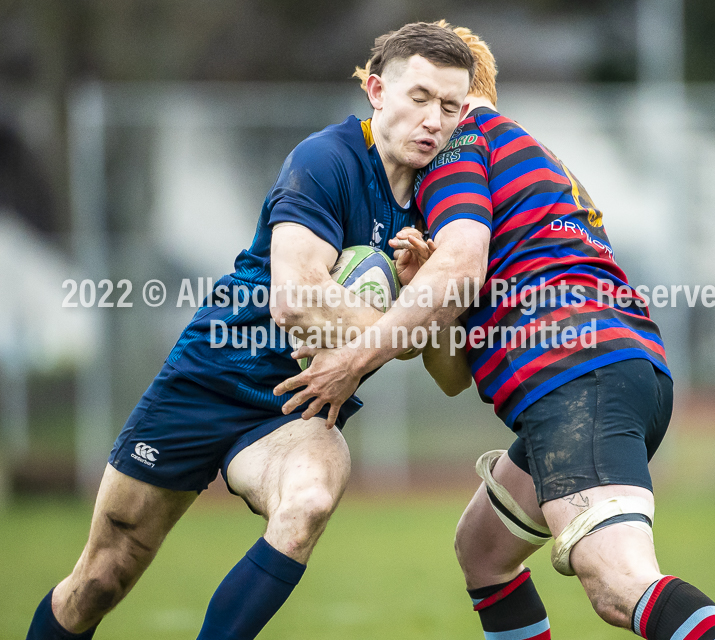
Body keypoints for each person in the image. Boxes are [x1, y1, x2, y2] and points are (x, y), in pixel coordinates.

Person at [276, 25, 715, 640]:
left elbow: (464, 266)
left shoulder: (461, 144)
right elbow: (455, 370)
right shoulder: (533, 157)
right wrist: (426, 292)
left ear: (465, 98)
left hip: (575, 375)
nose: (428, 120)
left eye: (438, 101)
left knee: (619, 582)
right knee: (483, 551)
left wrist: (354, 358)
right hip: (623, 368)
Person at [25, 21, 475, 640]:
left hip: (299, 404)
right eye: (420, 97)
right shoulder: (327, 159)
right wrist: (404, 323)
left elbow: (451, 378)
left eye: (450, 107)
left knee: (309, 501)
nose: (434, 120)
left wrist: (435, 303)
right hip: (213, 374)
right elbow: (294, 301)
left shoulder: (443, 206)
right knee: (101, 578)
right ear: (376, 91)